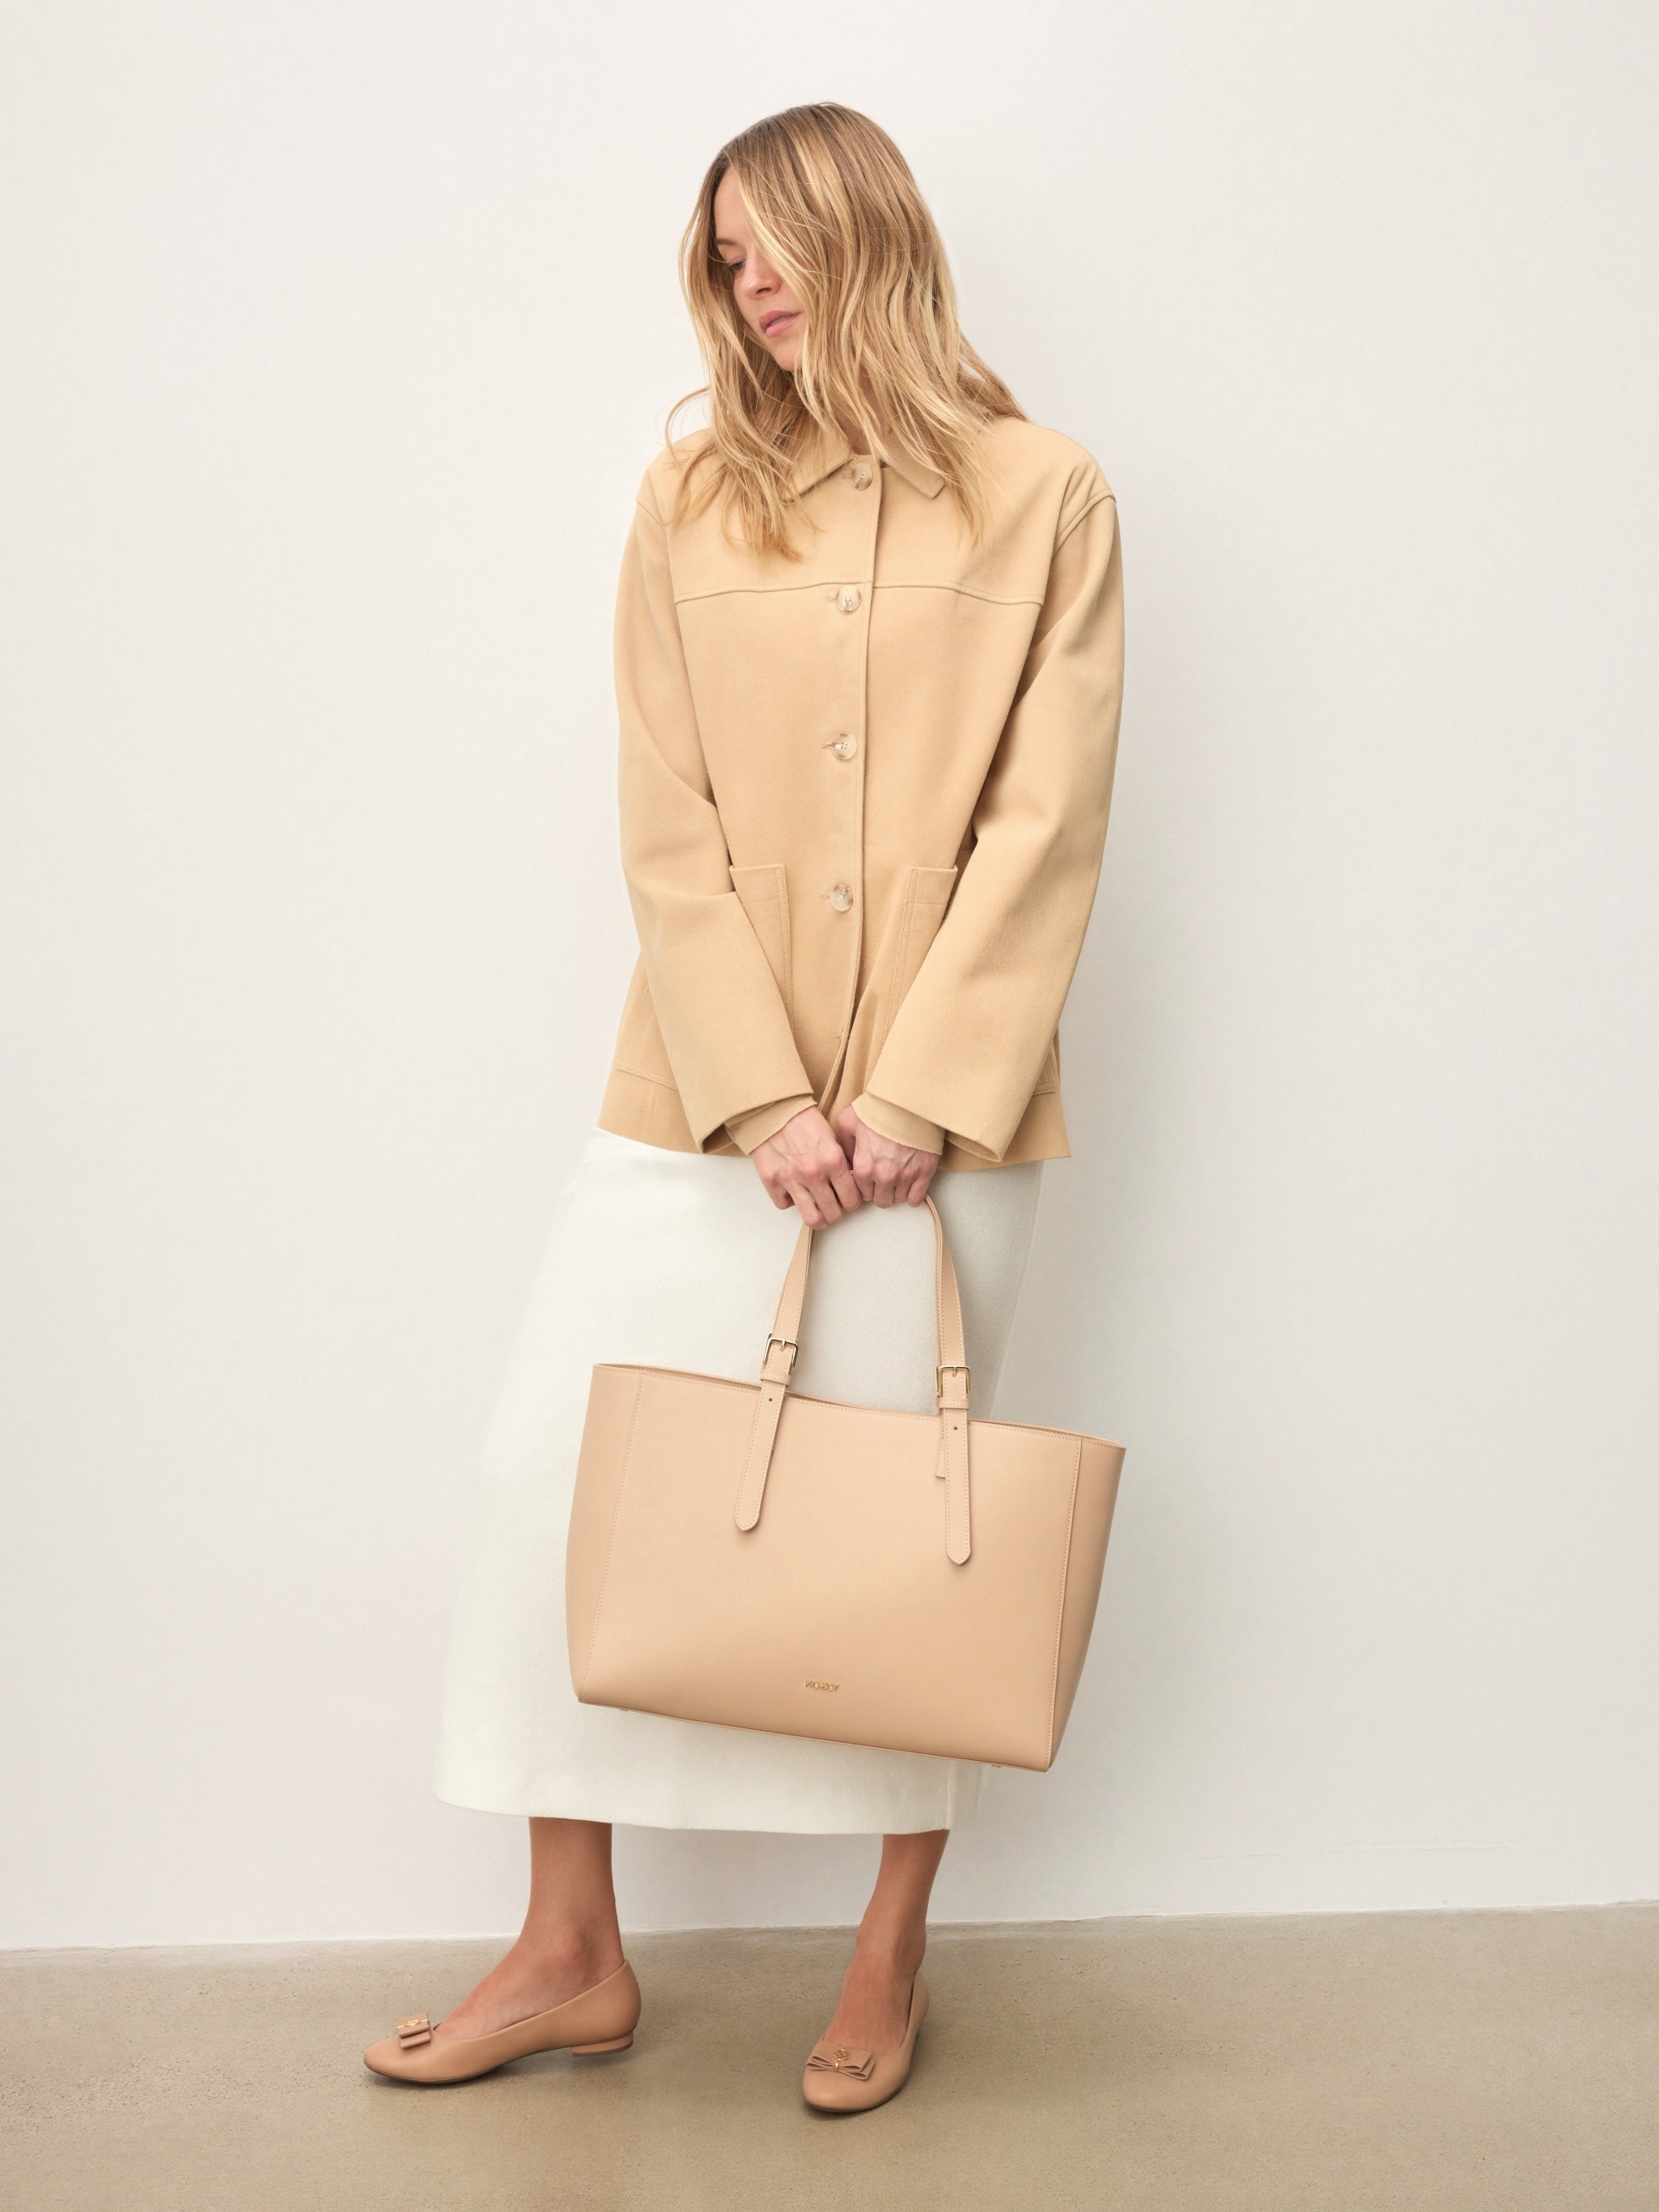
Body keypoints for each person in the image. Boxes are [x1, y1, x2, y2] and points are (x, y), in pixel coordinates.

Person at [365, 100, 1124, 2114]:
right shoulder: (689, 495)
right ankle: (568, 1948)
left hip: (944, 1118)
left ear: (868, 231)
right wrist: (762, 1089)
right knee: (554, 1476)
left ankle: (889, 1954)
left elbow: (1046, 823)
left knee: (912, 1540)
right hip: (704, 1095)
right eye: (722, 256)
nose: (748, 281)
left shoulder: (1047, 493)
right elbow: (665, 812)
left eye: (773, 240)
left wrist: (917, 1093)